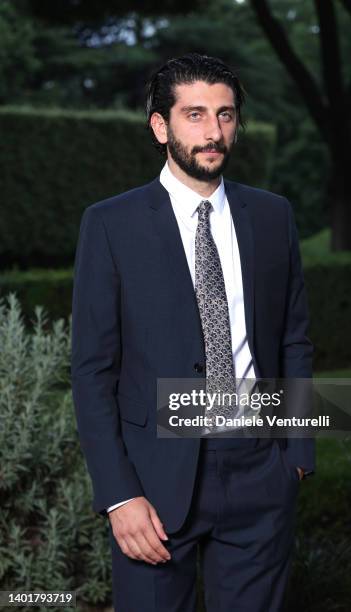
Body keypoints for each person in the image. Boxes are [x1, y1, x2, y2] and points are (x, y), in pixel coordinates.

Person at [71, 52, 315, 612]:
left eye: (225, 115)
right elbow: (91, 371)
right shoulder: (110, 224)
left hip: (260, 470)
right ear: (161, 126)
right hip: (154, 479)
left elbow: (294, 338)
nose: (214, 132)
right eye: (196, 115)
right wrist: (119, 494)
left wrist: (296, 453)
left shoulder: (273, 216)